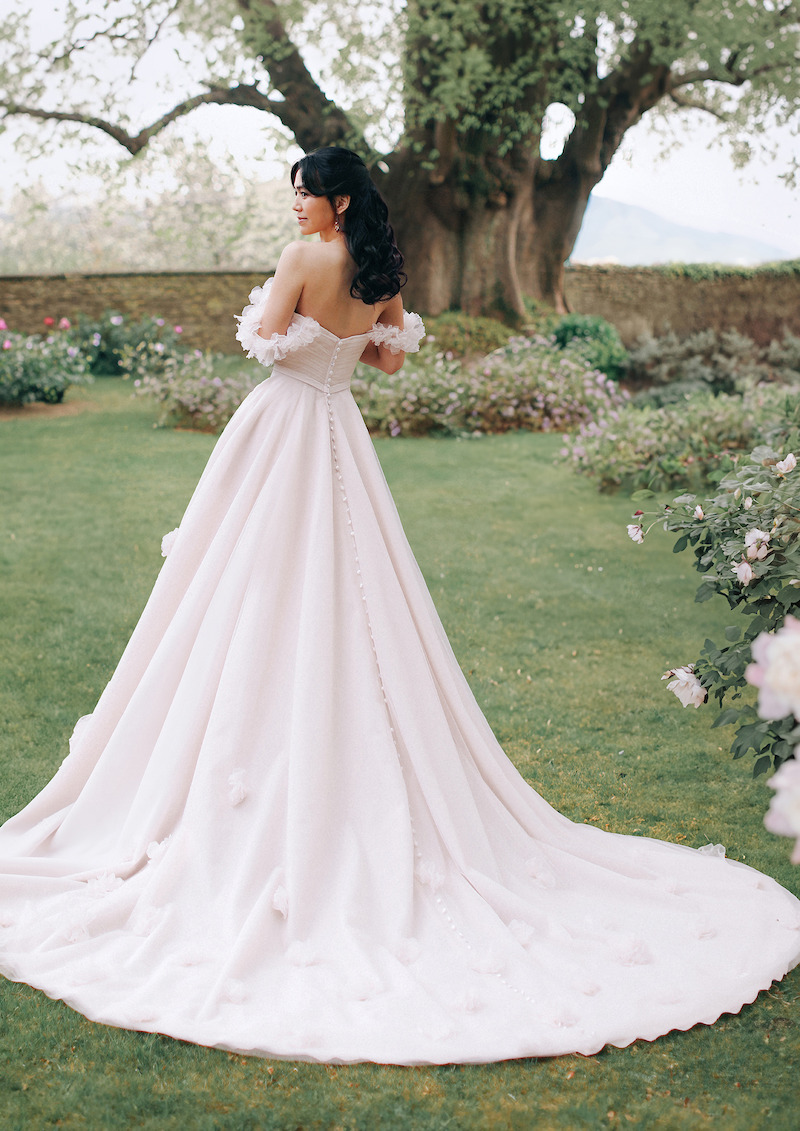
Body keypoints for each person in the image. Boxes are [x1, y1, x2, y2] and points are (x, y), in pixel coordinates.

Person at [0, 147, 798, 1066]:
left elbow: (261, 338)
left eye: (303, 194)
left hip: (280, 427)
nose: (294, 208)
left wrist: (293, 329)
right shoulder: (378, 270)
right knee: (347, 584)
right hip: (337, 433)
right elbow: (382, 359)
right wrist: (353, 336)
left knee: (251, 582)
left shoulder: (305, 260)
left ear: (334, 199)